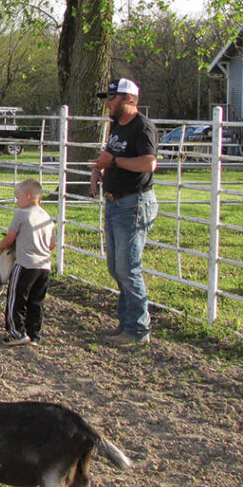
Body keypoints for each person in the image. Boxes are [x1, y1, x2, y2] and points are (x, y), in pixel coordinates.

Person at [89, 78, 158, 346]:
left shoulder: (143, 128)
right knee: (117, 268)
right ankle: (127, 323)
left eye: (112, 97)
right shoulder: (117, 125)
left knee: (128, 268)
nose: (108, 102)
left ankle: (138, 330)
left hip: (134, 204)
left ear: (129, 100)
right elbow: (109, 152)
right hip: (116, 202)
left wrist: (114, 162)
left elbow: (149, 163)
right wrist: (99, 169)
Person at [0, 178, 55, 346]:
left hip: (25, 265)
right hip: (44, 267)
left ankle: (17, 332)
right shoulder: (47, 217)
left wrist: (1, 246)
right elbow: (52, 244)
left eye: (18, 197)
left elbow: (10, 237)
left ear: (28, 196)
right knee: (36, 301)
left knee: (16, 299)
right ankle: (34, 333)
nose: (17, 201)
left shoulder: (22, 215)